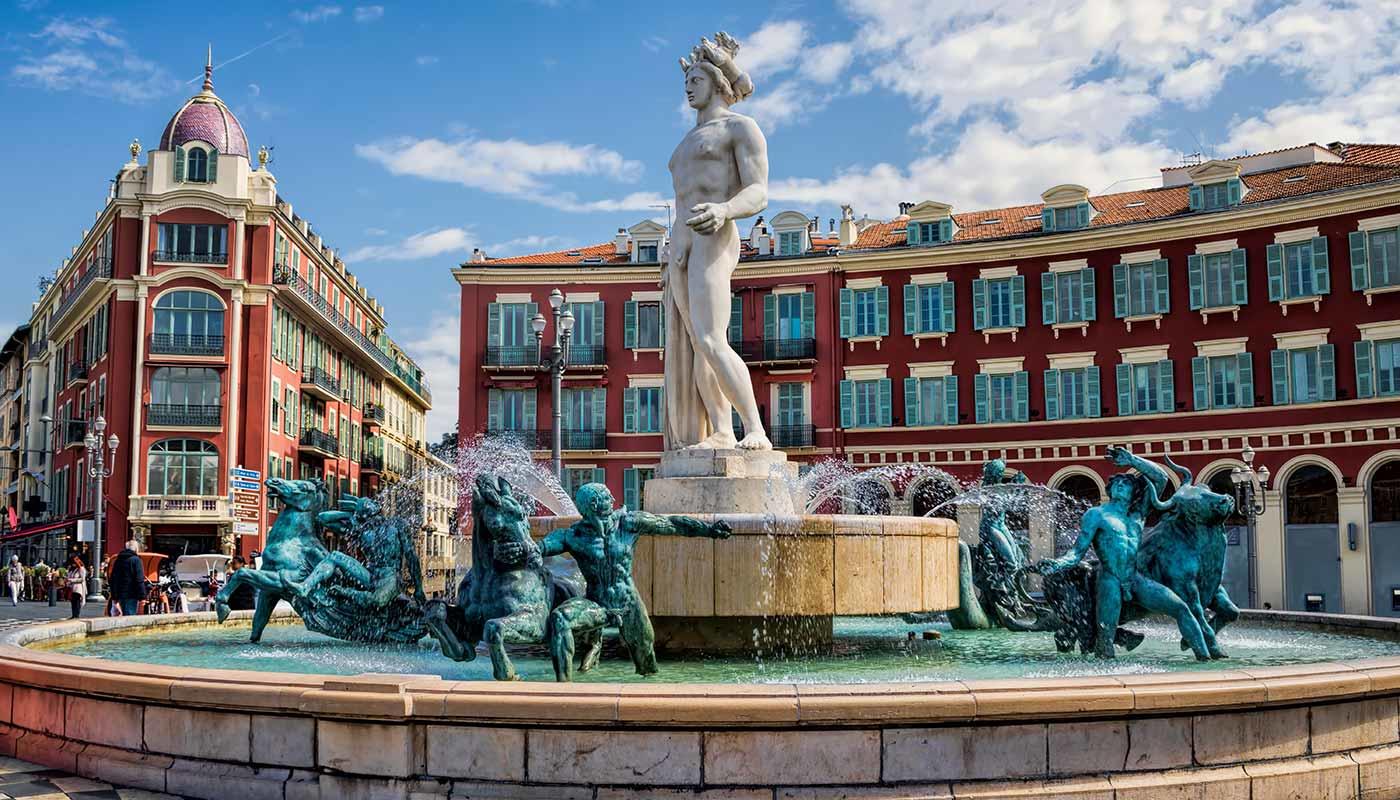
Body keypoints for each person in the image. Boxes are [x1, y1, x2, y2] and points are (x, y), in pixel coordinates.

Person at [664, 32, 771, 451]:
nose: (688, 88)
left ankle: (755, 429)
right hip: (682, 242)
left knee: (712, 338)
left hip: (715, 232)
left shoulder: (739, 128)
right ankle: (722, 431)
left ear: (717, 82)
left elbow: (758, 191)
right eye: (685, 82)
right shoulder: (682, 144)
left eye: (696, 80)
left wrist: (725, 210)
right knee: (697, 345)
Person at [532, 482, 732, 681]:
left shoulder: (629, 523)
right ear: (594, 505)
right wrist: (529, 550)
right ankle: (563, 687)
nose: (613, 500)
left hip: (629, 605)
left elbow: (671, 524)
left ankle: (652, 691)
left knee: (647, 662)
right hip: (596, 605)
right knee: (560, 619)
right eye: (607, 497)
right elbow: (542, 547)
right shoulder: (573, 536)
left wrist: (709, 530)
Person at [1040, 447, 1211, 660]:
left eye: (1126, 483)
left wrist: (1132, 460)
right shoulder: (1097, 514)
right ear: (1110, 490)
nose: (1121, 485)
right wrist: (1058, 564)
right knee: (1106, 634)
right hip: (1109, 579)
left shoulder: (1137, 514)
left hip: (1135, 579)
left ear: (1133, 492)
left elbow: (1161, 478)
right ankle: (1103, 671)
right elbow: (1076, 553)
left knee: (1181, 608)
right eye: (1117, 483)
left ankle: (1204, 659)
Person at [108, 540, 147, 617]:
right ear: (136, 549)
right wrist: (142, 596)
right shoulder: (136, 560)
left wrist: (114, 596)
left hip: (120, 594)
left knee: (122, 616)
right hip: (131, 594)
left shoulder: (118, 560)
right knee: (130, 616)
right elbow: (139, 579)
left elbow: (113, 579)